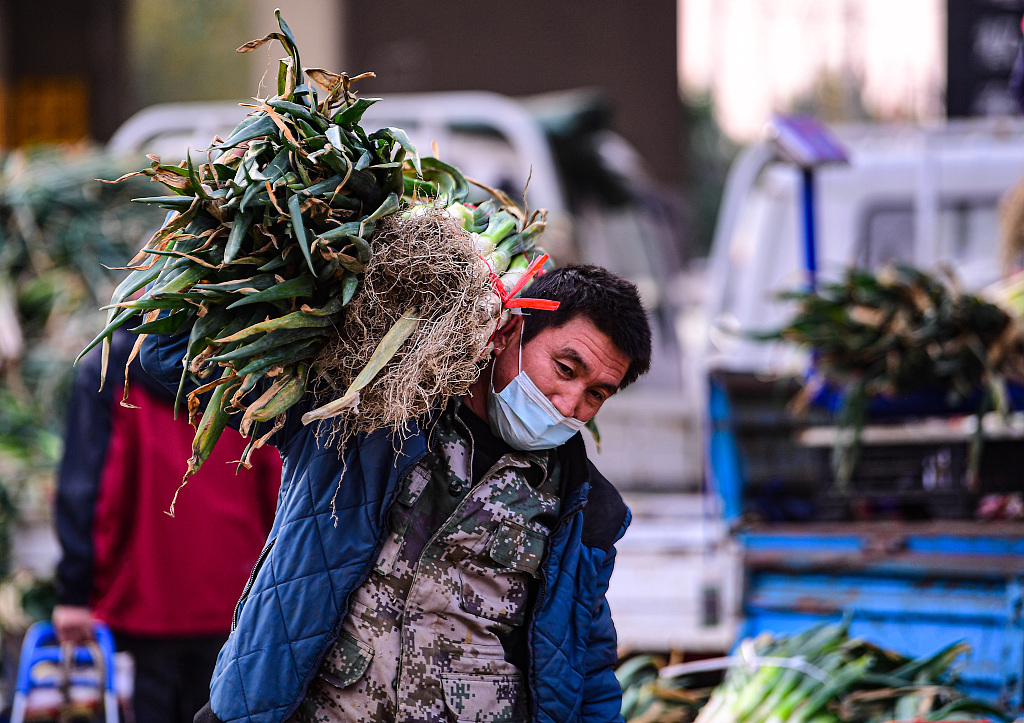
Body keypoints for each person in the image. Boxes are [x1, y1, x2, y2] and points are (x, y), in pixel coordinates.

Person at [141, 263, 653, 723]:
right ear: (511, 329)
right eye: (565, 369)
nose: (569, 404)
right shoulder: (365, 412)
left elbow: (584, 669)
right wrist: (254, 246)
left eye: (596, 394)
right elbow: (170, 358)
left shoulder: (583, 511)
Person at [53, 328, 282, 723]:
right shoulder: (253, 357)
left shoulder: (111, 368)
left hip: (144, 597)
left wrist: (76, 592)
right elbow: (279, 481)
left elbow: (91, 489)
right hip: (237, 598)